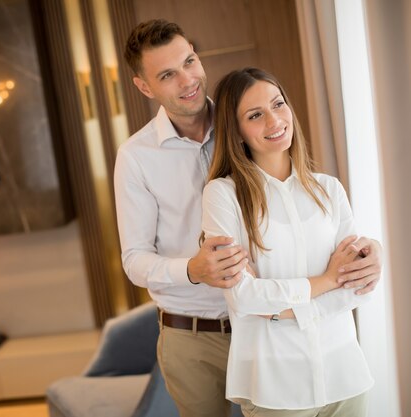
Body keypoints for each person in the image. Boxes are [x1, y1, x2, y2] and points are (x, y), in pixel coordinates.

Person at [114, 19, 382, 417]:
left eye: (189, 61)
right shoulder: (137, 157)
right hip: (196, 333)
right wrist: (193, 269)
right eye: (168, 75)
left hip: (273, 331)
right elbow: (134, 259)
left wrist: (368, 249)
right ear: (144, 86)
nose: (187, 79)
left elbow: (322, 244)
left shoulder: (243, 117)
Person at [201, 67, 374, 417]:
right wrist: (326, 281)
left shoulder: (329, 189)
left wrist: (279, 311)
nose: (274, 120)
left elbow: (357, 287)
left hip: (344, 373)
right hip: (275, 386)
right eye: (255, 115)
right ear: (236, 132)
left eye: (278, 104)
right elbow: (243, 296)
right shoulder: (223, 196)